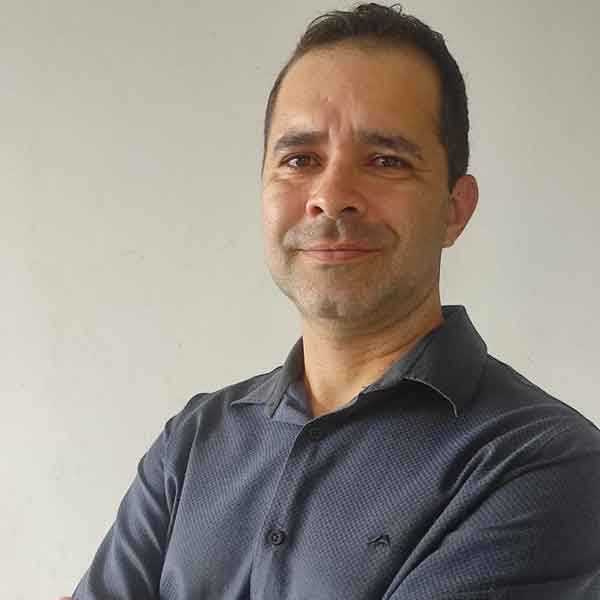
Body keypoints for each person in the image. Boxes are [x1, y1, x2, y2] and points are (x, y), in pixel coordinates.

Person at [64, 3, 600, 599]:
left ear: (455, 209)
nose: (331, 194)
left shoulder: (544, 462)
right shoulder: (192, 442)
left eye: (386, 160)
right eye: (300, 159)